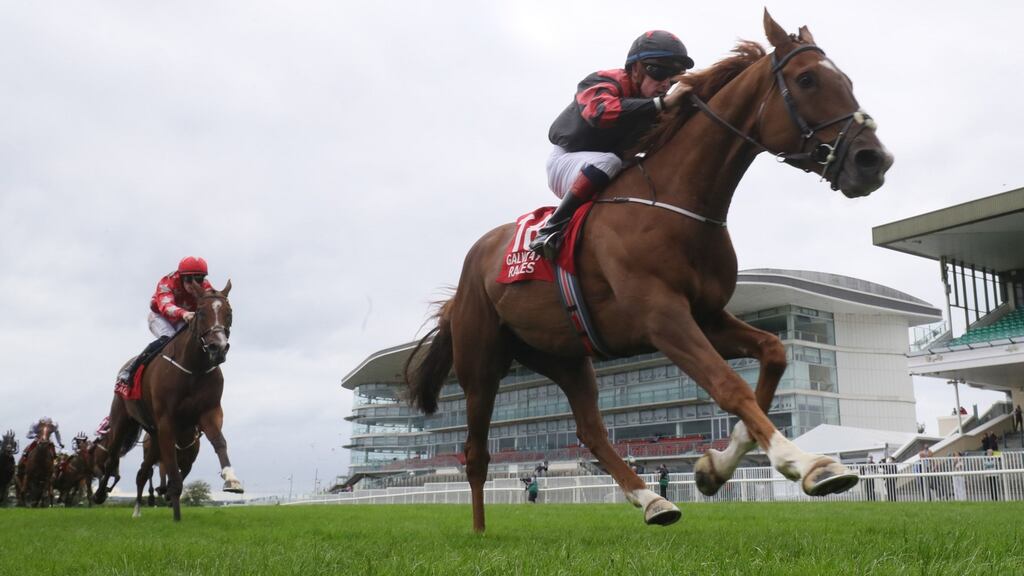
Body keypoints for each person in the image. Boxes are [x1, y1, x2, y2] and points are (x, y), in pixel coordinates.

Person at [530, 30, 696, 258]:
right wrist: (661, 104)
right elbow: (599, 112)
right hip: (566, 161)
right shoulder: (603, 80)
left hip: (607, 164)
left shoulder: (656, 105)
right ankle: (551, 229)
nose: (666, 84)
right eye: (658, 72)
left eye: (674, 76)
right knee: (610, 161)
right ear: (635, 68)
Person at [116, 257, 214, 386]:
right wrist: (184, 313)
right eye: (189, 279)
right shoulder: (167, 282)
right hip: (161, 316)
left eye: (199, 279)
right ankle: (131, 370)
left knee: (191, 340)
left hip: (183, 318)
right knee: (168, 338)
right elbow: (166, 306)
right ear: (181, 277)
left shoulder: (206, 287)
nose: (194, 284)